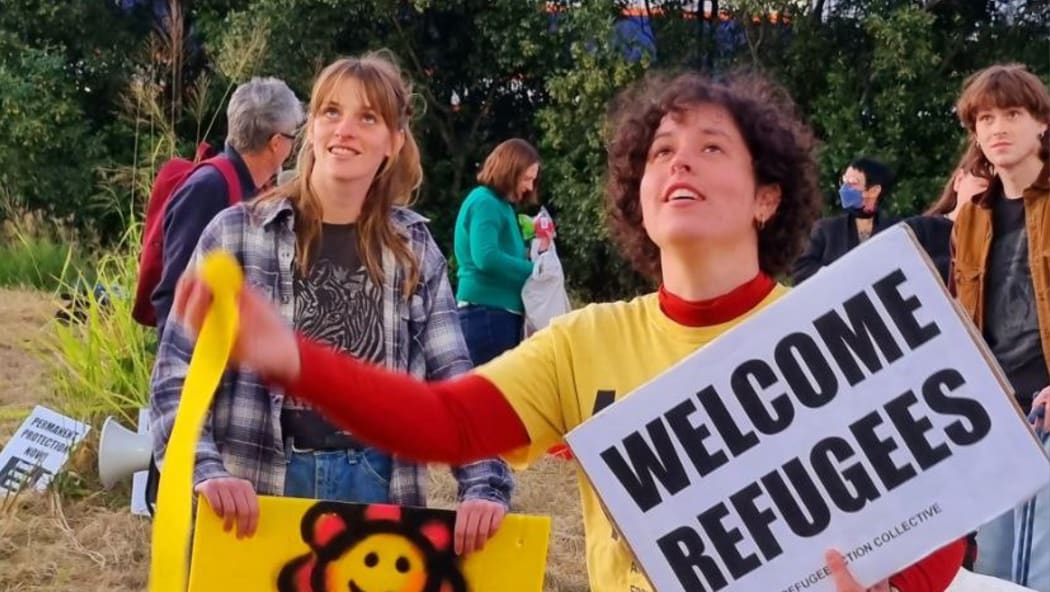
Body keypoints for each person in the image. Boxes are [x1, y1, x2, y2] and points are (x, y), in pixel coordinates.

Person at [171, 71, 966, 591]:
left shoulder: (832, 332)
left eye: (711, 148)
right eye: (660, 153)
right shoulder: (586, 340)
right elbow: (446, 420)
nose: (678, 164)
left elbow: (936, 542)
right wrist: (291, 358)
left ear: (767, 197)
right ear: (637, 193)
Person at [150, 53, 513, 555]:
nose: (346, 129)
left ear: (394, 142)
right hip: (255, 492)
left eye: (368, 117)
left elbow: (454, 375)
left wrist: (484, 484)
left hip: (379, 486)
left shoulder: (413, 249)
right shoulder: (237, 233)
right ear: (310, 130)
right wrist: (205, 470)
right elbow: (175, 373)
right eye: (331, 112)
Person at [949, 63, 1050, 591]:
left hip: (1047, 404)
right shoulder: (972, 217)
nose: (997, 129)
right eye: (985, 118)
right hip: (995, 412)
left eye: (1012, 114)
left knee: (1042, 567)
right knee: (991, 568)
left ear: (1041, 124)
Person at [152, 77, 304, 336]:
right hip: (203, 361)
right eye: (293, 136)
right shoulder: (208, 188)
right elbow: (176, 291)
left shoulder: (255, 190)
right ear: (277, 143)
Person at [454, 138, 541, 366]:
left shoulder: (499, 205)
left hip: (495, 315)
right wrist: (536, 270)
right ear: (510, 171)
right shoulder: (485, 202)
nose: (530, 187)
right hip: (487, 315)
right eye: (526, 178)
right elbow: (486, 257)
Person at [792, 157, 897, 284]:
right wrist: (833, 275)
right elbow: (801, 269)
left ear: (874, 191)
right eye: (843, 182)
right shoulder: (827, 229)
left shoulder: (894, 231)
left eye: (852, 184)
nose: (844, 189)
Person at [903, 154, 988, 283]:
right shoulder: (916, 230)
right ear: (959, 180)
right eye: (982, 184)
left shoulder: (1001, 249)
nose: (986, 195)